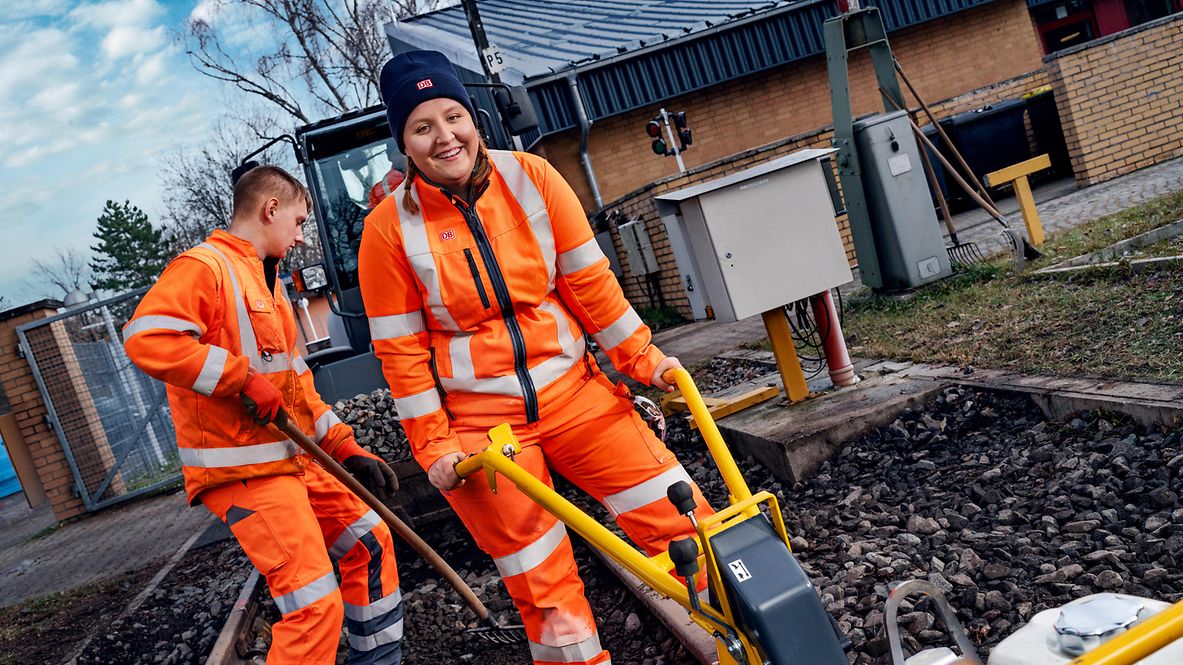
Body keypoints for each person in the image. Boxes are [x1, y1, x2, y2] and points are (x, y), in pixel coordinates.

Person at [358, 50, 715, 665]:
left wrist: (644, 358)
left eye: (453, 116)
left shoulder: (535, 178)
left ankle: (748, 639)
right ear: (404, 145)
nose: (445, 137)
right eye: (422, 127)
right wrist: (435, 446)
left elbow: (590, 285)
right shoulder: (388, 231)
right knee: (541, 583)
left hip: (578, 396)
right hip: (484, 433)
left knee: (684, 524)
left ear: (474, 118)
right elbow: (403, 356)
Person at [123, 165, 403, 665]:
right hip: (241, 468)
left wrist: (345, 447)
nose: (300, 237)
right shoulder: (204, 267)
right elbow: (146, 338)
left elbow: (296, 389)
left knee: (370, 540)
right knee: (313, 604)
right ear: (269, 209)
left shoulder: (269, 285)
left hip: (288, 462)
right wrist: (238, 378)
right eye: (297, 222)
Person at [369, 143, 407, 208]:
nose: (403, 156)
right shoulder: (377, 190)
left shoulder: (425, 173)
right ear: (390, 158)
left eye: (404, 152)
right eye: (397, 154)